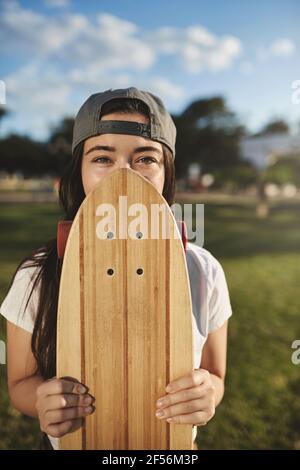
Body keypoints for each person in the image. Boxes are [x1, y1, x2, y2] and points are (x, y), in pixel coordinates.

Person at [0, 87, 232, 450]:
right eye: (103, 158)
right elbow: (19, 385)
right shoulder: (36, 276)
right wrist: (41, 400)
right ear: (79, 171)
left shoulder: (204, 272)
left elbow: (216, 376)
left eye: (145, 159)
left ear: (166, 173)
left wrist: (208, 393)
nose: (124, 177)